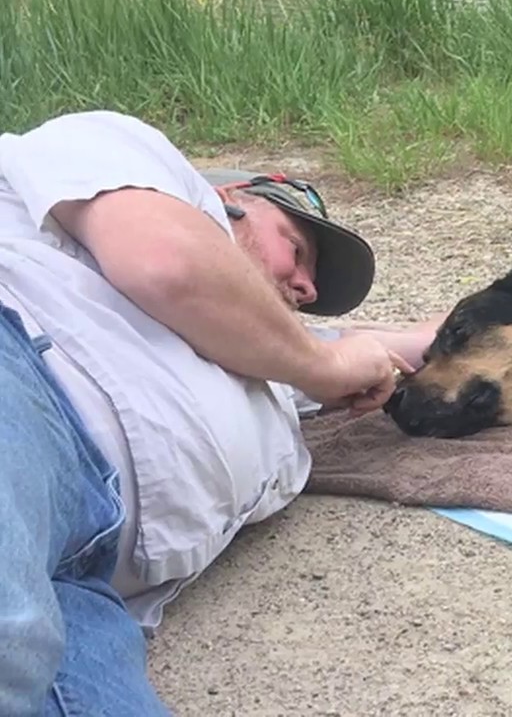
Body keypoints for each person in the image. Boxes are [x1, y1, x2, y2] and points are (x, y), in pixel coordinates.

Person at [0, 109, 439, 716]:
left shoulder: (274, 368)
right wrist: (325, 365)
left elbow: (427, 343)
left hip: (85, 581)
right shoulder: (118, 150)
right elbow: (167, 262)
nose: (307, 288)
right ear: (228, 199)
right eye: (298, 249)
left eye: (311, 288)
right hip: (21, 376)